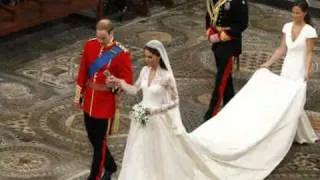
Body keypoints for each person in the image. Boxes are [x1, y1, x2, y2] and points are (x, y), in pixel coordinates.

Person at [73, 19, 133, 180]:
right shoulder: (90, 45)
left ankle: (94, 177)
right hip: (89, 101)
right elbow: (83, 72)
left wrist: (114, 83)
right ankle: (111, 166)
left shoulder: (121, 53)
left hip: (105, 104)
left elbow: (127, 82)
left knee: (99, 145)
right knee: (93, 138)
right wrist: (78, 96)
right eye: (98, 37)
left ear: (111, 33)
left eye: (103, 38)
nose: (100, 41)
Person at [261, 0, 318, 144]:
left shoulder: (309, 31)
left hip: (299, 69)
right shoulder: (287, 27)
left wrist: (307, 71)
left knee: (295, 101)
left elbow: (310, 53)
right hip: (287, 67)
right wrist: (268, 63)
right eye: (293, 12)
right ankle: (286, 133)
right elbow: (282, 49)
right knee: (285, 99)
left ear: (304, 13)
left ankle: (292, 134)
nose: (294, 15)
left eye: (298, 13)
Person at [204, 0, 248, 121]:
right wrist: (209, 30)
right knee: (226, 80)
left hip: (229, 44)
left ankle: (210, 116)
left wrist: (226, 34)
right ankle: (231, 108)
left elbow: (242, 23)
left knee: (220, 81)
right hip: (217, 43)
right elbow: (209, 14)